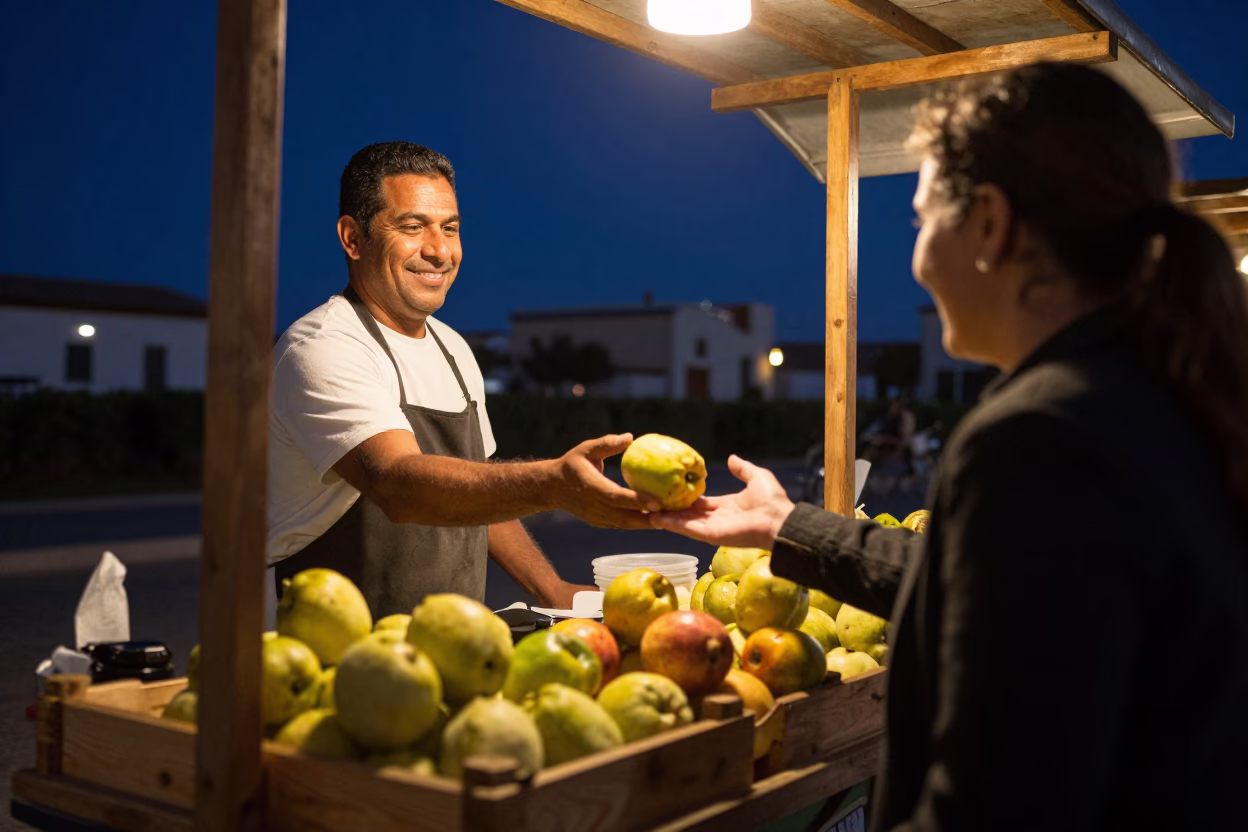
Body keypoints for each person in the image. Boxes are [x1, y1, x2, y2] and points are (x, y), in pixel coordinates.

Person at [654, 63, 1248, 830]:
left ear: (992, 226)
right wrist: (785, 526)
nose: (918, 256)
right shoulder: (1166, 393)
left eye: (922, 219)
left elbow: (1000, 801)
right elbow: (994, 591)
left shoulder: (1041, 439)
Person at [267, 142, 655, 617]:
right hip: (337, 663)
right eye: (412, 227)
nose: (439, 251)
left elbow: (480, 488)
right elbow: (398, 484)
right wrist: (552, 484)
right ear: (352, 238)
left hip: (454, 649)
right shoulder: (323, 347)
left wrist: (550, 588)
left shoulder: (452, 348)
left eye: (450, 229)